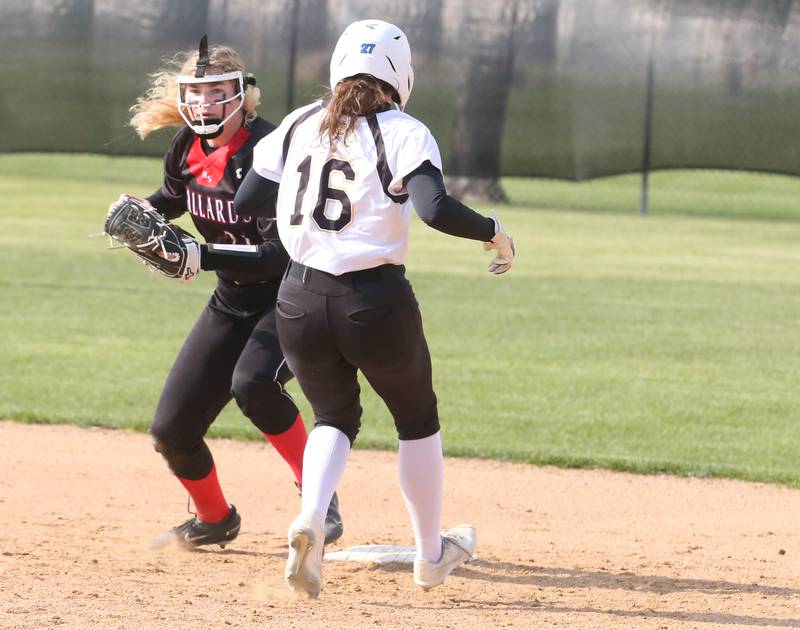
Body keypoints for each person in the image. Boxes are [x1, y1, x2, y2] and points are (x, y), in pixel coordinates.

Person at [234, 19, 515, 596]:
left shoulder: (297, 124)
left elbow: (247, 198)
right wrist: (494, 230)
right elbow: (434, 210)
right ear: (401, 75)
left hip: (299, 299)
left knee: (333, 416)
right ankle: (430, 555)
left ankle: (311, 515)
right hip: (374, 301)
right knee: (416, 418)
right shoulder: (405, 130)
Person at [120, 36, 343, 550]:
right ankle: (215, 519)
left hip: (291, 297)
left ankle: (319, 497)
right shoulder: (185, 147)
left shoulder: (271, 151)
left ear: (244, 95)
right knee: (171, 430)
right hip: (232, 300)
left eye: (218, 90)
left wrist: (202, 256)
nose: (204, 102)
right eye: (196, 92)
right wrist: (142, 216)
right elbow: (173, 201)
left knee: (254, 385)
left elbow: (277, 254)